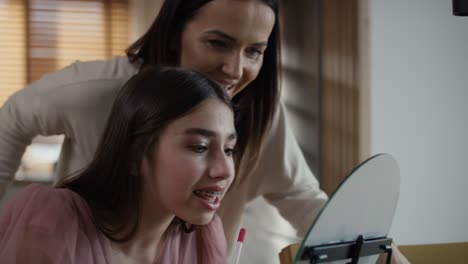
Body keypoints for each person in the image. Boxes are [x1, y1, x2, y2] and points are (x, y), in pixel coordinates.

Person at [0, 0, 409, 263]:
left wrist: (374, 252)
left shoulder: (259, 114)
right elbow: (13, 116)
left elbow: (298, 195)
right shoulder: (93, 93)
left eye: (254, 51)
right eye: (218, 43)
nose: (235, 70)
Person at [0, 66, 237, 263]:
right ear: (136, 153)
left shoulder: (202, 239)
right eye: (200, 147)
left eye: (228, 150)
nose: (224, 170)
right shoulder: (54, 224)